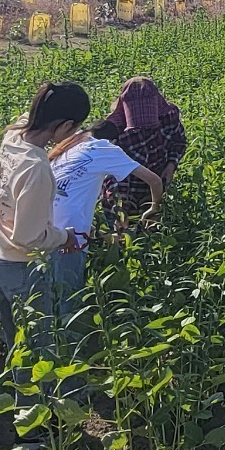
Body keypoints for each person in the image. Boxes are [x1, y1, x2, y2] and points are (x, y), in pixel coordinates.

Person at [48, 85, 165, 316]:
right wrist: (153, 209)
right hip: (68, 240)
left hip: (41, 232)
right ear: (114, 140)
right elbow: (155, 181)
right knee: (69, 304)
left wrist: (102, 235)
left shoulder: (67, 147)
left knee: (47, 300)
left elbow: (70, 196)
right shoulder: (103, 148)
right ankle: (70, 347)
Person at [0, 83, 71, 356]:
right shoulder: (36, 168)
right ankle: (38, 398)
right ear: (64, 125)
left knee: (17, 342)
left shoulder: (15, 136)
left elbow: (28, 117)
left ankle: (21, 395)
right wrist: (64, 236)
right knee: (37, 348)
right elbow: (28, 237)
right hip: (20, 267)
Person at [92, 76, 188, 224]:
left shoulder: (169, 116)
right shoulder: (113, 130)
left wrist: (171, 165)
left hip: (159, 175)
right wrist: (120, 208)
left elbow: (178, 142)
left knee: (159, 223)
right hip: (128, 184)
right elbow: (112, 177)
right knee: (126, 229)